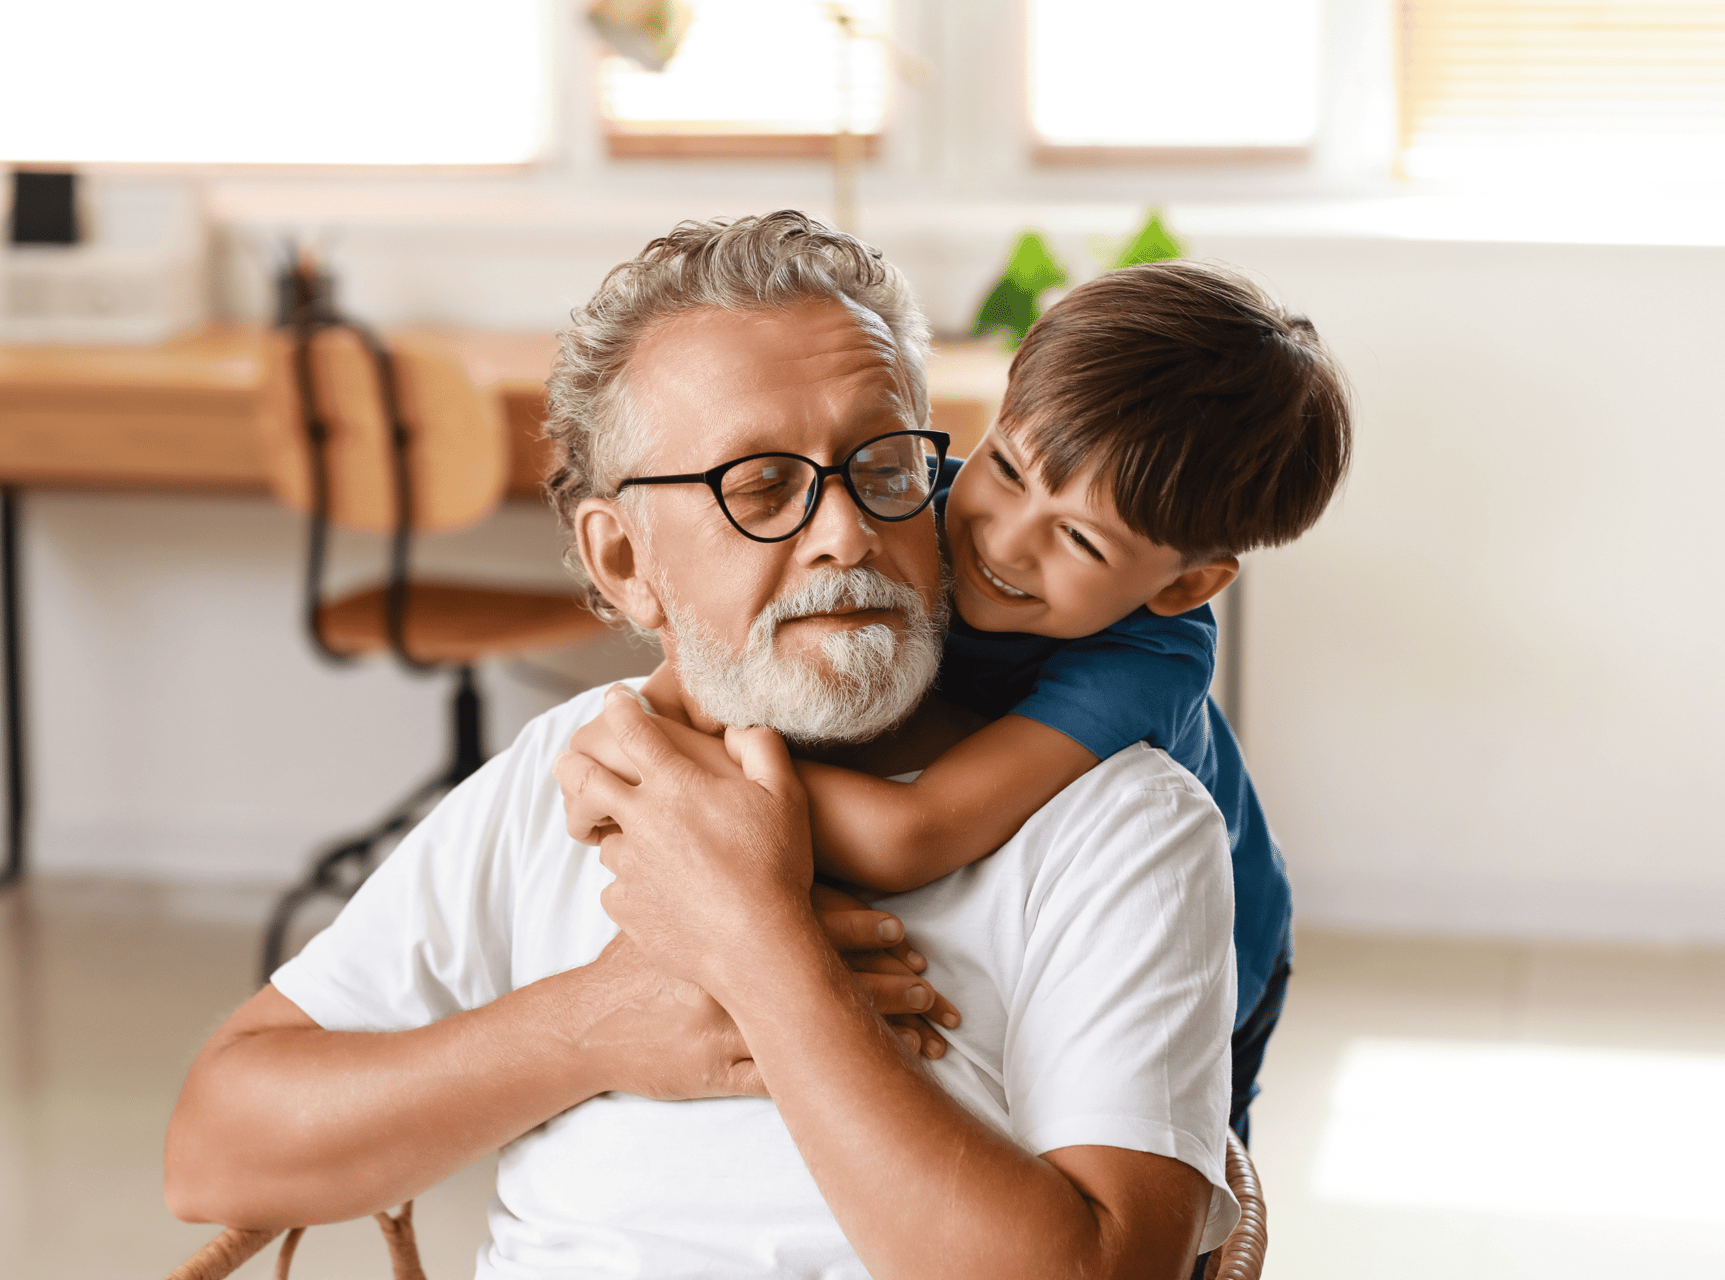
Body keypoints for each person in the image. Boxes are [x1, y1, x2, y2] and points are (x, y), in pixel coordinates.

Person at [165, 211, 1240, 1278]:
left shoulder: (1118, 825)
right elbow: (215, 1154)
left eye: (883, 468)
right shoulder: (584, 765)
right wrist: (595, 1025)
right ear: (624, 561)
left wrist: (761, 949)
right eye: (762, 486)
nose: (847, 532)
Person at [573, 262, 1352, 1140]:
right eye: (1009, 470)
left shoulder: (1151, 653)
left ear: (1183, 585)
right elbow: (720, 661)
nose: (1004, 542)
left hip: (1225, 942)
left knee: (1178, 1129)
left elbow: (911, 836)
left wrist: (679, 778)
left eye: (1080, 539)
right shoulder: (909, 504)